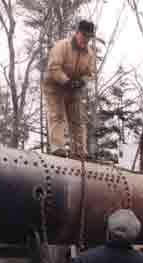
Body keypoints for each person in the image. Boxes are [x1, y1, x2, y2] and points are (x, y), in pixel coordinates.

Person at [43, 20, 96, 159]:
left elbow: (91, 73)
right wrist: (66, 81)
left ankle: (79, 151)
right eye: (84, 36)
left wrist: (82, 81)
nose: (86, 40)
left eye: (89, 37)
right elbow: (53, 67)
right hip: (55, 85)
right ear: (77, 33)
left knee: (78, 119)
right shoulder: (62, 46)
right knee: (57, 115)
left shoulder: (90, 54)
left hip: (74, 89)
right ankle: (57, 148)